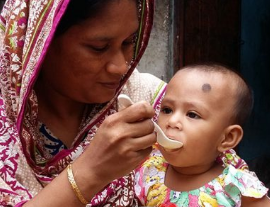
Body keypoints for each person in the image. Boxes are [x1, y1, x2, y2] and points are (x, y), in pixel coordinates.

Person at [0, 0, 167, 206]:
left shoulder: (151, 101)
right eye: (99, 48)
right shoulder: (5, 119)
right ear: (39, 42)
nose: (120, 66)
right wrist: (91, 172)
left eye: (128, 42)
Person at [135, 64, 270, 206]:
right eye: (167, 110)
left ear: (228, 138)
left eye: (192, 114)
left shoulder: (235, 188)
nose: (172, 121)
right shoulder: (149, 168)